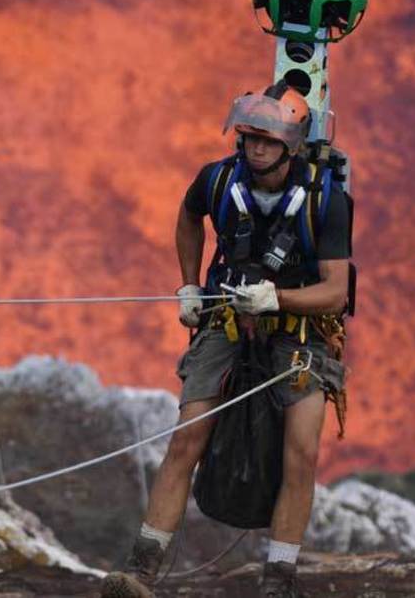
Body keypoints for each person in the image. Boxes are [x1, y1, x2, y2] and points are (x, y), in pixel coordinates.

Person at [100, 82, 351, 598]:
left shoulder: (326, 202)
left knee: (300, 450)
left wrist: (276, 301)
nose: (255, 147)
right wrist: (190, 283)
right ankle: (141, 570)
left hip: (298, 333)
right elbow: (189, 216)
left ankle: (277, 580)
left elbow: (334, 292)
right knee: (187, 436)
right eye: (250, 136)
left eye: (267, 139)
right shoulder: (217, 180)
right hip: (226, 320)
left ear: (292, 145)